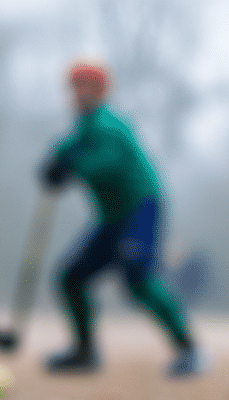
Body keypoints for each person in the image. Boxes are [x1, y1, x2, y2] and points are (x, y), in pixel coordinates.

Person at [38, 60, 207, 377]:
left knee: (138, 277)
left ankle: (191, 350)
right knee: (71, 277)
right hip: (112, 218)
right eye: (73, 87)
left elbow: (106, 161)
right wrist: (54, 164)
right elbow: (67, 150)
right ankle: (84, 352)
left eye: (84, 85)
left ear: (100, 90)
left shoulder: (110, 123)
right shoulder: (85, 127)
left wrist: (70, 167)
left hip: (142, 207)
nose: (77, 93)